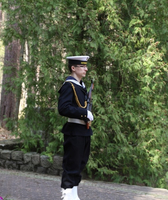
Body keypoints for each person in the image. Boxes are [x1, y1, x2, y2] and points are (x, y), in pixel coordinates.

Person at [58, 56, 94, 200]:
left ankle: (73, 194)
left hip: (83, 130)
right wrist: (83, 112)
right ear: (73, 68)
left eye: (86, 66)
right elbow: (63, 108)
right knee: (72, 163)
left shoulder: (81, 86)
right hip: (73, 129)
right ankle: (66, 194)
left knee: (80, 163)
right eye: (82, 66)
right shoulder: (69, 85)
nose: (86, 69)